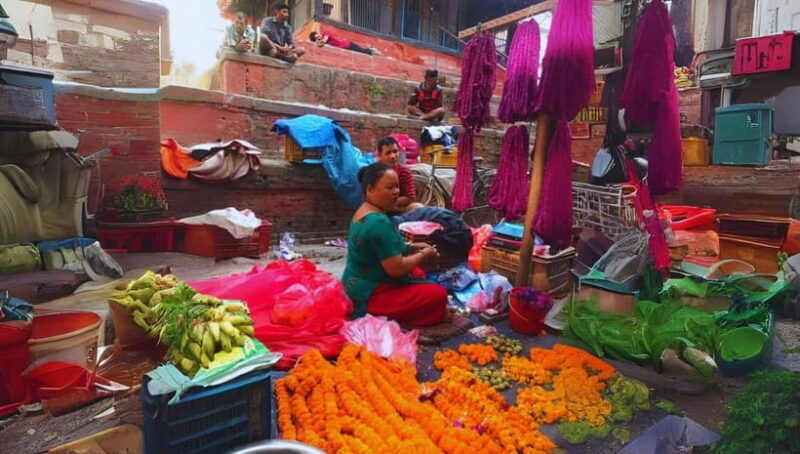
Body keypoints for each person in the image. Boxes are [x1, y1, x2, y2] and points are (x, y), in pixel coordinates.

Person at [342, 163, 447, 326]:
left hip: (355, 285)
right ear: (370, 190)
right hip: (371, 295)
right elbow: (396, 269)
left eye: (397, 187)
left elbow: (380, 249)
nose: (396, 192)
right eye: (390, 188)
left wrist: (412, 247)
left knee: (418, 273)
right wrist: (425, 254)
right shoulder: (378, 222)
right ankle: (391, 317)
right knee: (438, 294)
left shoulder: (363, 211)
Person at [375, 136, 421, 213]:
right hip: (378, 209)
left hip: (399, 209)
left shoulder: (404, 171)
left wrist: (389, 204)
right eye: (388, 153)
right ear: (380, 155)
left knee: (418, 207)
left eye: (395, 151)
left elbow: (410, 197)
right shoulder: (374, 171)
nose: (393, 156)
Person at [309, 28, 380, 56]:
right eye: (317, 38)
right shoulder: (325, 42)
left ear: (318, 33)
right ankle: (371, 50)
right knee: (361, 51)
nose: (319, 38)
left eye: (317, 36)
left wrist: (318, 43)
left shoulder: (326, 32)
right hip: (346, 47)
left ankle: (371, 50)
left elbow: (323, 42)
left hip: (348, 44)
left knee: (361, 51)